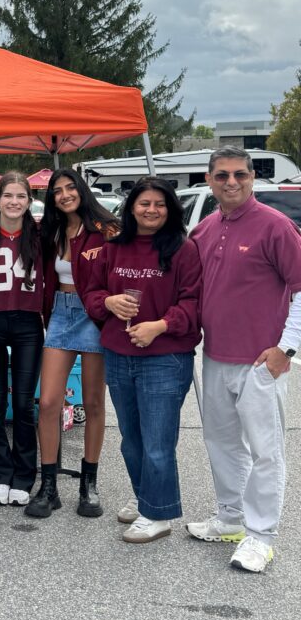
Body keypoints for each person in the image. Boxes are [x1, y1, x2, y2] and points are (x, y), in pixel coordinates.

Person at [186, 147, 301, 572]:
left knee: (266, 451)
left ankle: (261, 536)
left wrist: (285, 349)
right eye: (221, 175)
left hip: (260, 362)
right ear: (209, 179)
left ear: (253, 178)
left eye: (239, 175)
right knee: (221, 442)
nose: (231, 182)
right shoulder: (204, 228)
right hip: (214, 356)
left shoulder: (275, 226)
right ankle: (231, 518)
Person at [83, 178, 202, 543]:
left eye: (160, 204)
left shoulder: (184, 249)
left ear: (171, 209)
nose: (152, 210)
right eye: (144, 203)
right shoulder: (114, 247)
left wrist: (161, 326)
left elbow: (193, 303)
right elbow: (92, 292)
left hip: (164, 358)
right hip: (119, 354)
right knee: (131, 441)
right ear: (131, 207)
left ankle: (158, 515)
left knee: (156, 441)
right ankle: (146, 497)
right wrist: (108, 302)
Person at [25, 168, 116, 520]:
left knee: (93, 404)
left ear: (81, 190)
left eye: (70, 188)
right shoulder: (50, 230)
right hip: (61, 315)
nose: (64, 195)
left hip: (94, 315)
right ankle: (48, 485)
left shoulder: (106, 229)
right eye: (57, 190)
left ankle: (88, 483)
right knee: (48, 402)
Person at [0, 173, 43, 507]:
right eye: (8, 196)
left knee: (23, 404)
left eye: (21, 196)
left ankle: (24, 474)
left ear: (29, 201)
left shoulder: (41, 236)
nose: (14, 202)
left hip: (28, 322)